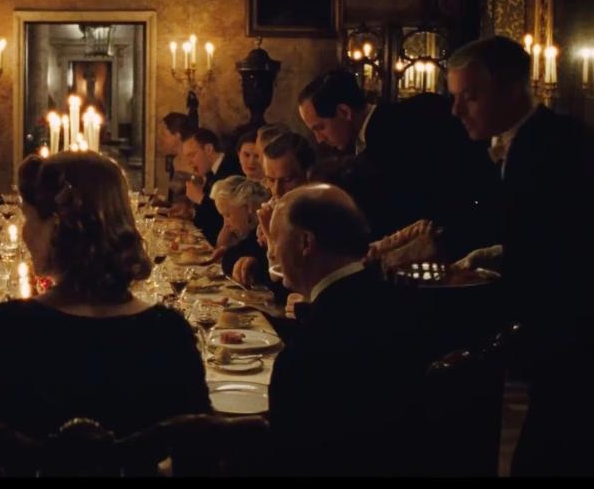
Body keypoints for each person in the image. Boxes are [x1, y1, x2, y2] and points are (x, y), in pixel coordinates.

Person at [0, 152, 211, 438]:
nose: (25, 233)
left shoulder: (8, 328)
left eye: (28, 218)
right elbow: (201, 448)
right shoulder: (168, 333)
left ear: (55, 227)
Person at [446, 36, 594, 476]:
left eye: (470, 96)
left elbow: (571, 247)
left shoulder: (563, 144)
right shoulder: (513, 143)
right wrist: (495, 253)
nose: (457, 110)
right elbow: (540, 231)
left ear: (513, 89)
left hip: (570, 334)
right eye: (455, 97)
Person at [265, 183, 425, 475]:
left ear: (305, 242)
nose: (273, 252)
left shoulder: (305, 356)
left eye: (275, 239)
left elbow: (288, 458)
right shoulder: (396, 301)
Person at [297, 68, 499, 258]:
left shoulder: (396, 134)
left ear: (344, 112)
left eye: (320, 128)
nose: (319, 139)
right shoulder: (368, 140)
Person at [180, 128, 240, 246]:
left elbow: (222, 218)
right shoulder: (212, 172)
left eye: (192, 155)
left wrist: (200, 198)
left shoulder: (230, 168)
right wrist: (192, 212)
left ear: (208, 149)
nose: (189, 162)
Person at [210, 176, 271, 286]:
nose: (226, 223)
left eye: (227, 215)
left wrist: (228, 251)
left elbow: (229, 261)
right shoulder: (251, 235)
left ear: (248, 208)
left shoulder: (263, 230)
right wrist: (226, 248)